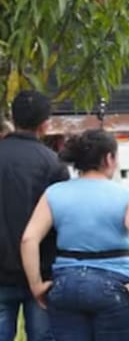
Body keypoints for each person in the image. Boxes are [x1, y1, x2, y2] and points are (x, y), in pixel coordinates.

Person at [20, 129, 129, 341]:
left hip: (66, 284)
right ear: (109, 158)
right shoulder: (125, 196)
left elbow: (29, 239)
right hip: (114, 285)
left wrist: (36, 285)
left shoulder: (55, 193)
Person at [0, 91, 69, 341]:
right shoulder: (53, 164)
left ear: (13, 118)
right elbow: (62, 221)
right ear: (45, 123)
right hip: (40, 274)